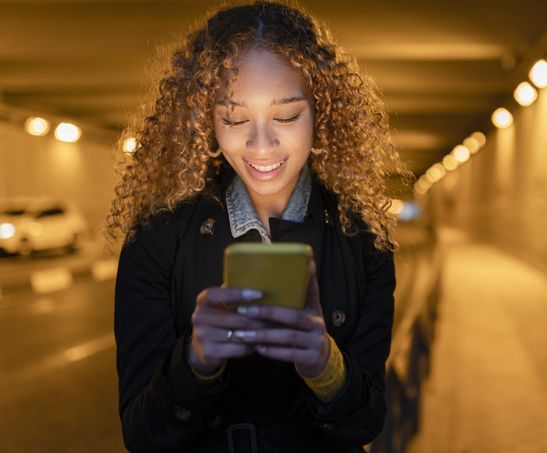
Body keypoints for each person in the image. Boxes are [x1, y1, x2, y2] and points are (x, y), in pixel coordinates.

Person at [107, 1, 407, 451]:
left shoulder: (363, 241)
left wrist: (325, 365)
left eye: (286, 117)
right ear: (205, 119)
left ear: (321, 112)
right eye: (234, 118)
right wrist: (196, 360)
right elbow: (141, 434)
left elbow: (365, 424)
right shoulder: (158, 238)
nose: (261, 145)